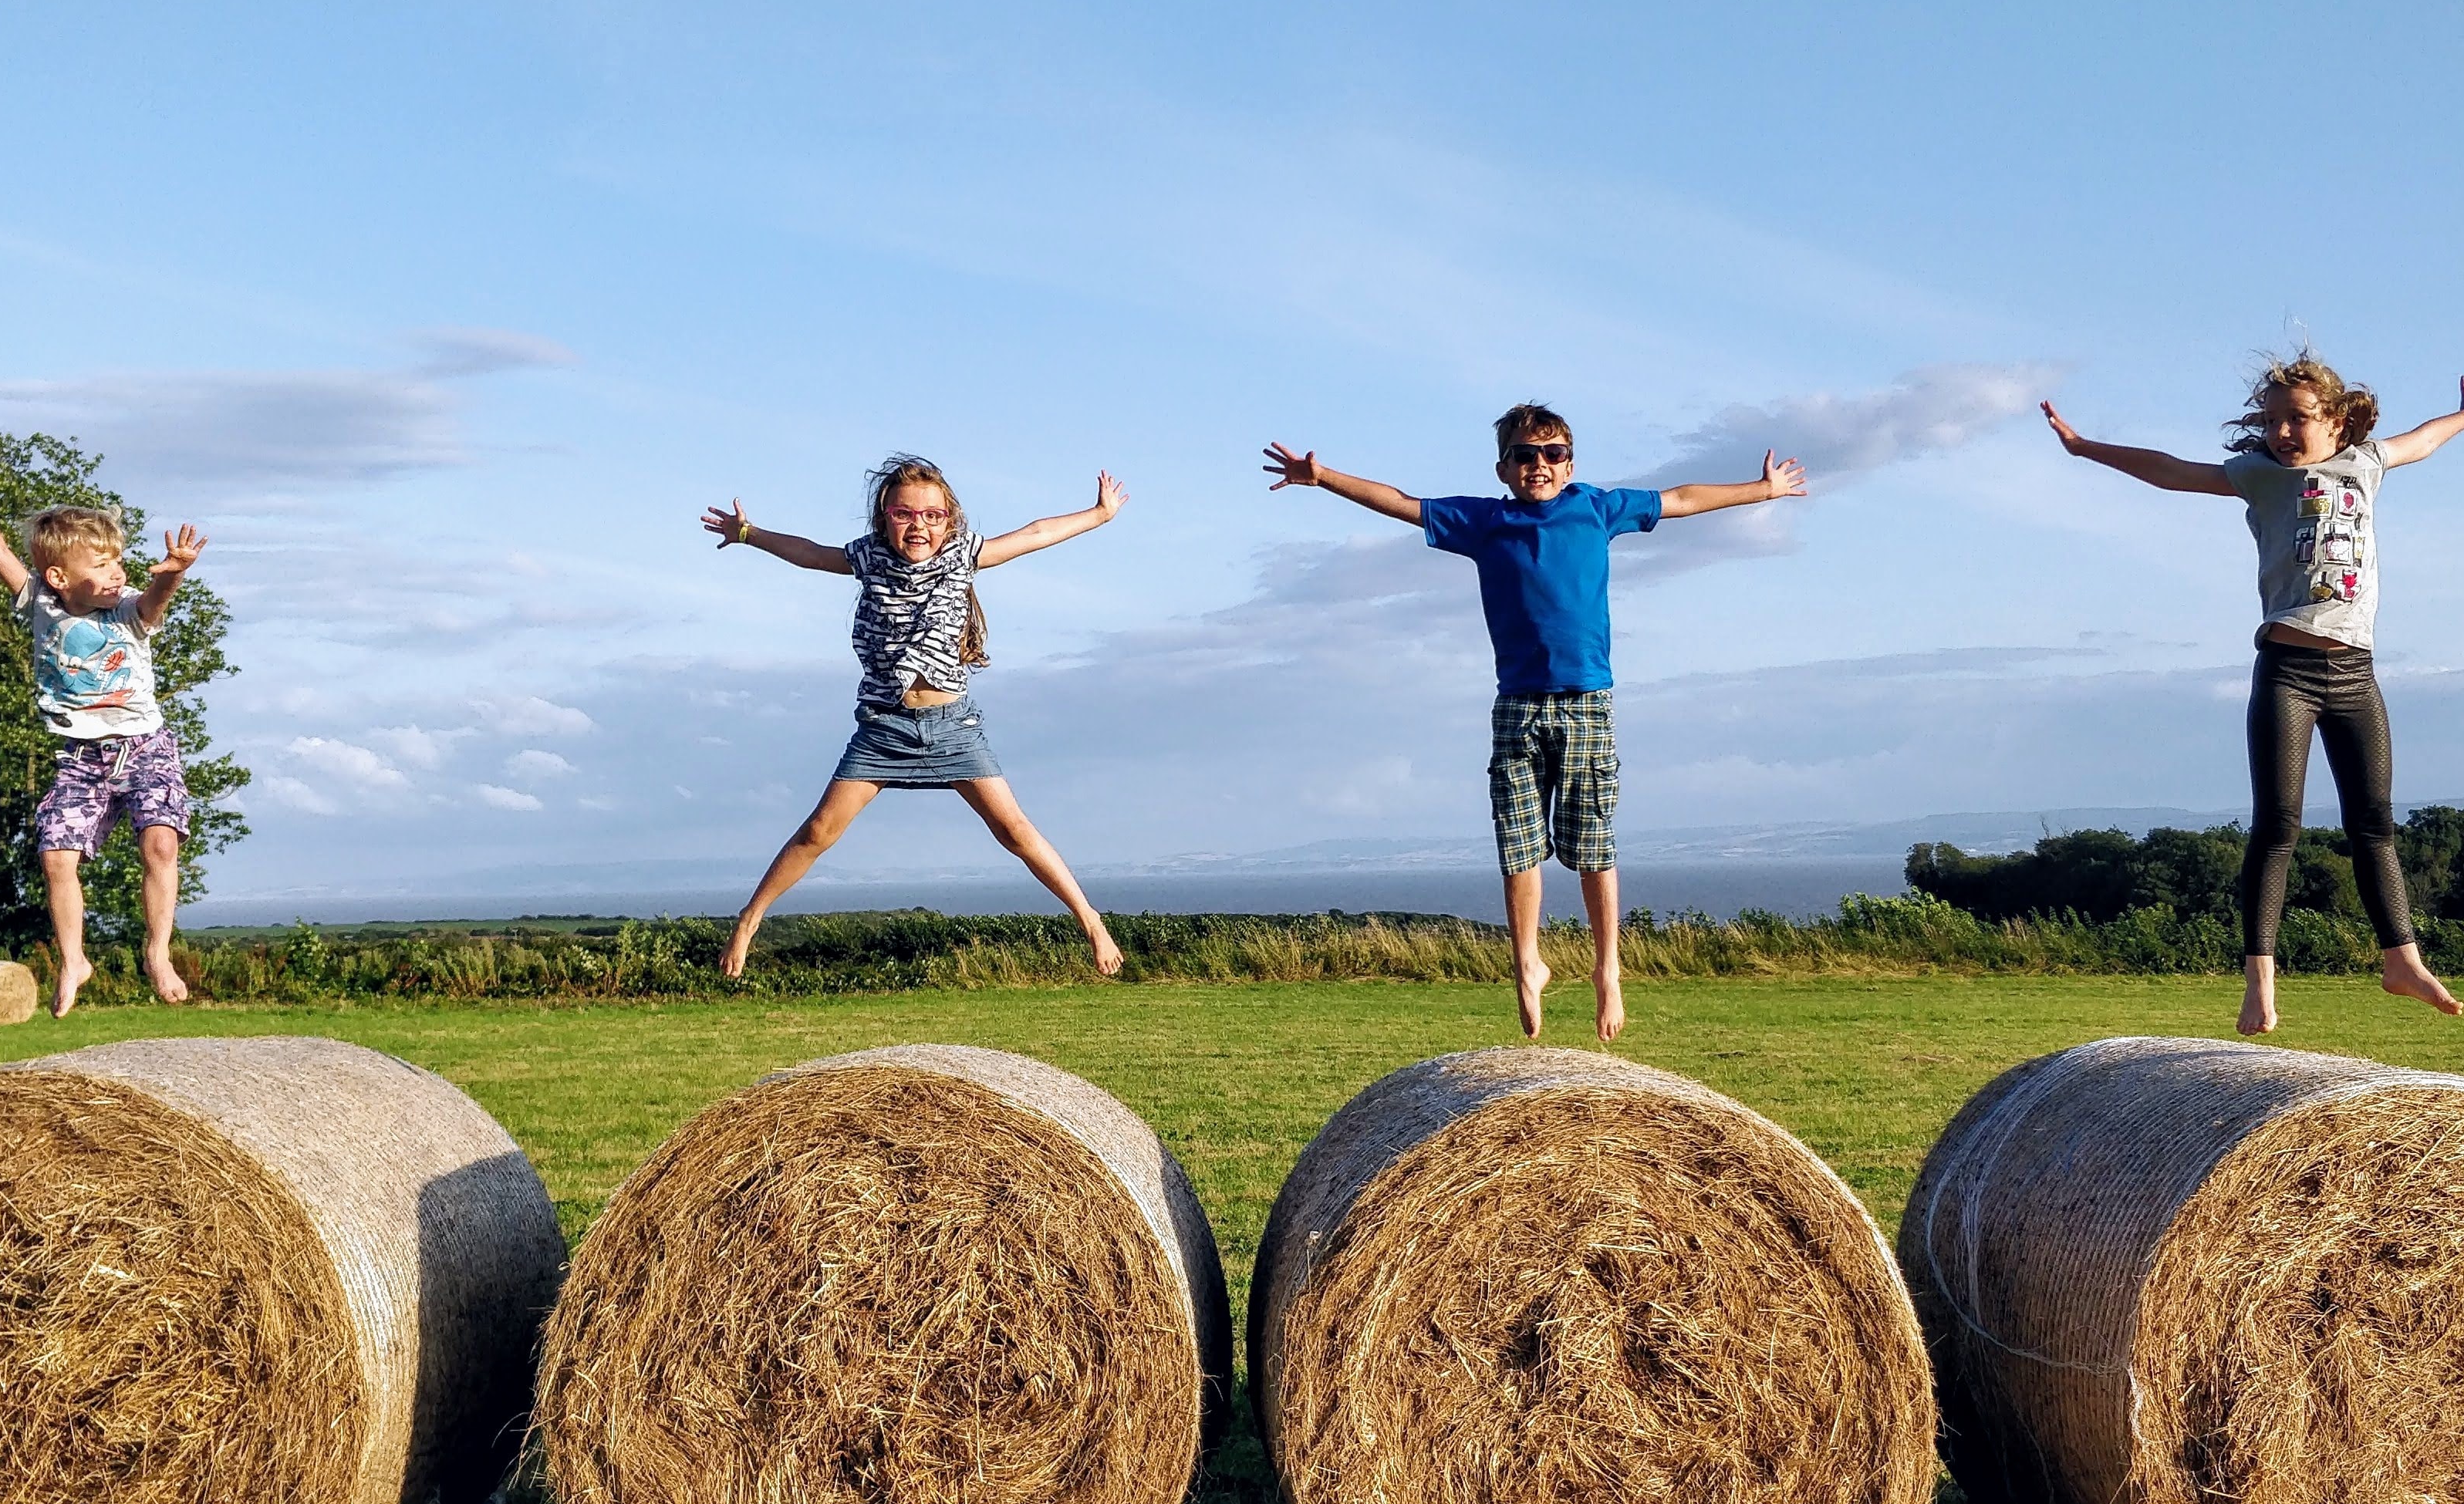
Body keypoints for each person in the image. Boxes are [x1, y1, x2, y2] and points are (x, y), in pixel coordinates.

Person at [1263, 406, 1806, 1041]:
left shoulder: (1597, 508)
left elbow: (1682, 497)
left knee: (1592, 849)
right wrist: (1322, 477)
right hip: (1517, 707)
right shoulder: (1486, 521)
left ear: (1569, 463)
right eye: (1525, 455)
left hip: (1585, 703)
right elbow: (1401, 502)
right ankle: (1528, 964)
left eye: (1551, 454)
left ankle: (1609, 971)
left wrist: (1762, 490)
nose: (1539, 465)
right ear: (1504, 468)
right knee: (1518, 846)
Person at [2041, 354, 2464, 1034]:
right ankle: (2260, 984)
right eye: (2274, 420)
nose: (2284, 431)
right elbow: (2171, 471)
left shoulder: (2367, 464)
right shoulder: (2257, 477)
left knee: (2374, 825)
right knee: (2278, 827)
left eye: (2299, 418)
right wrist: (2085, 448)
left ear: (2337, 421)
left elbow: (2425, 439)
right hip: (2287, 670)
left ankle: (2401, 961)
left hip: (2355, 675)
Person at [703, 456, 1128, 979]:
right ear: (885, 517)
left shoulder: (963, 556)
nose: (919, 525)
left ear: (950, 520)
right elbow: (810, 554)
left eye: (932, 515)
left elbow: (1036, 532)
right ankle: (749, 920)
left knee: (1015, 830)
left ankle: (1090, 920)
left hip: (953, 727)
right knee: (817, 832)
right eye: (906, 514)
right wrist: (749, 533)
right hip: (884, 727)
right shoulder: (869, 559)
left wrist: (1100, 515)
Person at [0, 450, 207, 1016]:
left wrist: (172, 573)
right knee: (57, 858)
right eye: (102, 566)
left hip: (145, 746)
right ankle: (74, 959)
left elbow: (156, 599)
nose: (117, 573)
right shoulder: (41, 604)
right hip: (81, 757)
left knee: (161, 842)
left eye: (118, 561)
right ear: (60, 577)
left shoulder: (128, 611)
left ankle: (157, 952)